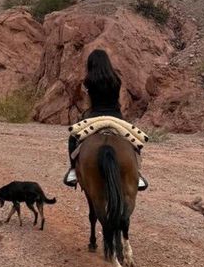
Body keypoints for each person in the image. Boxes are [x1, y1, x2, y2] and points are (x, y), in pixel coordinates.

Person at [63, 48, 148, 190]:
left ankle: (73, 170)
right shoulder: (116, 80)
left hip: (94, 117)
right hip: (116, 117)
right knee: (132, 140)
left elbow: (89, 103)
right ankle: (137, 173)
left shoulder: (89, 81)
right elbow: (117, 102)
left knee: (73, 137)